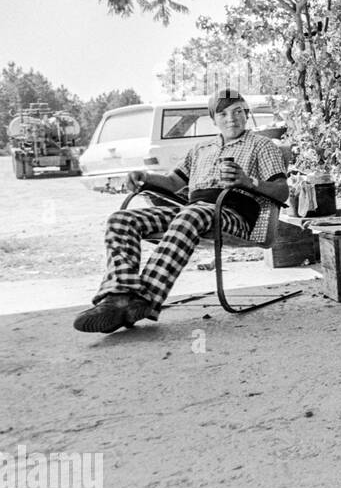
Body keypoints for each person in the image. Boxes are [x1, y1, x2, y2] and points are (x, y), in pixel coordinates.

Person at [72, 88, 290, 334]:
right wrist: (144, 177)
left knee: (191, 214)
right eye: (224, 114)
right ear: (213, 120)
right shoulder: (200, 149)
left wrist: (249, 181)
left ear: (247, 113)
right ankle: (119, 297)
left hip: (232, 214)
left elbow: (282, 191)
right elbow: (173, 182)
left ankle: (144, 299)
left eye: (238, 111)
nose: (232, 119)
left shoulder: (262, 145)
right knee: (121, 220)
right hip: (194, 213)